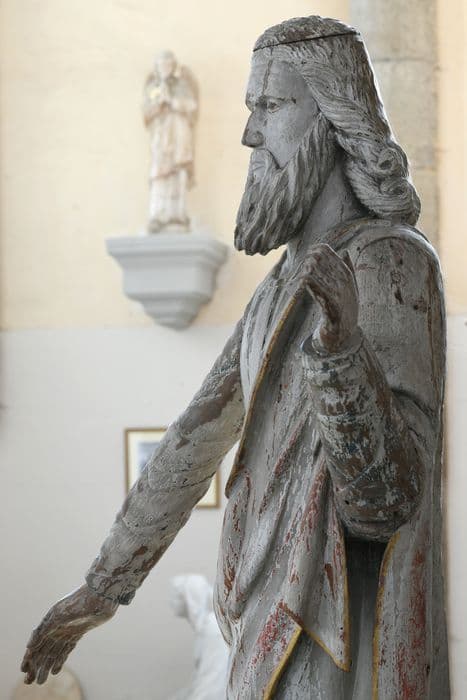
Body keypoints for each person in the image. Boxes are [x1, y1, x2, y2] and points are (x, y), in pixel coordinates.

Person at [22, 16, 449, 699]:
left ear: (330, 119)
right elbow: (190, 443)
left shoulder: (390, 265)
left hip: (341, 644)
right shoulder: (274, 292)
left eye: (269, 106)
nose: (250, 134)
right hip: (262, 621)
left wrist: (341, 351)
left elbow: (388, 501)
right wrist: (101, 588)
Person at [143, 50, 197, 232]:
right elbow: (146, 113)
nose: (165, 68)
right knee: (160, 173)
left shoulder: (182, 85)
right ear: (157, 67)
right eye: (161, 65)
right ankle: (158, 214)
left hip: (179, 135)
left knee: (178, 172)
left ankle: (177, 214)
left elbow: (191, 106)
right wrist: (159, 104)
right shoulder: (153, 88)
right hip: (161, 136)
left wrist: (172, 101)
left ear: (173, 67)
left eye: (168, 64)